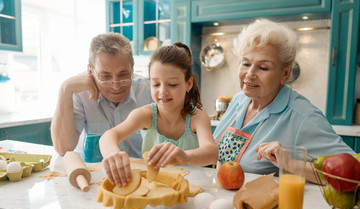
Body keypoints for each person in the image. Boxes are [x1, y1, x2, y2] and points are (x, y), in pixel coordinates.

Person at [213, 19, 355, 184]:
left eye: (263, 67)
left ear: (285, 74)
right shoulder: (240, 100)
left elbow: (353, 172)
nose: (249, 74)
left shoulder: (302, 117)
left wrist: (291, 164)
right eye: (245, 63)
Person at [100, 42, 218, 187]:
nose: (162, 91)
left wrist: (185, 156)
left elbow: (212, 153)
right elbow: (109, 136)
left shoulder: (197, 118)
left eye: (172, 84)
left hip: (192, 188)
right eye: (156, 84)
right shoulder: (145, 115)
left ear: (188, 84)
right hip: (154, 187)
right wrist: (113, 153)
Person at [51, 33, 152, 158]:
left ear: (132, 68)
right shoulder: (79, 92)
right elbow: (63, 149)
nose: (116, 86)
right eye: (105, 76)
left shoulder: (149, 90)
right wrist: (65, 89)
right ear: (90, 71)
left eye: (123, 75)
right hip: (94, 172)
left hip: (140, 172)